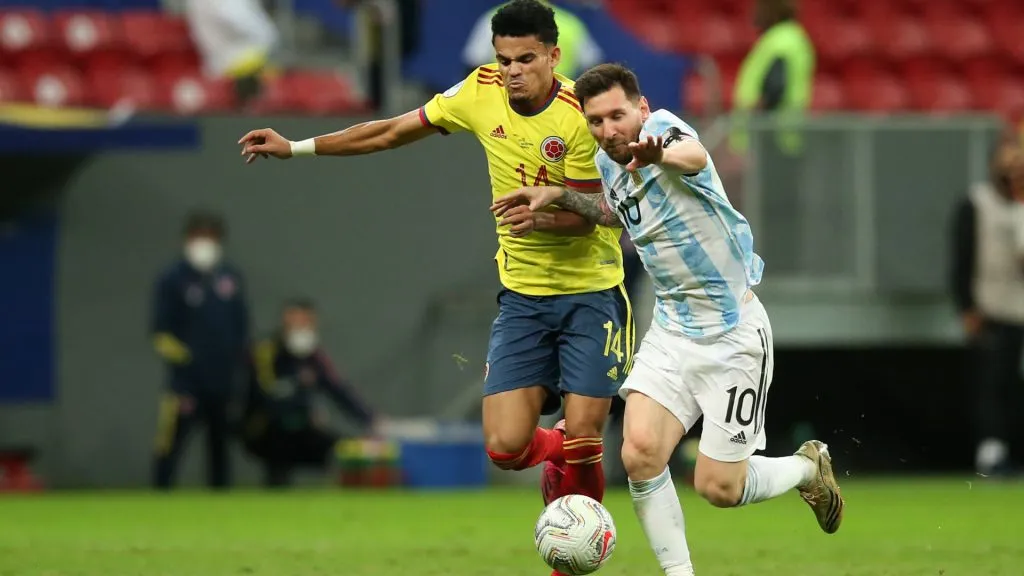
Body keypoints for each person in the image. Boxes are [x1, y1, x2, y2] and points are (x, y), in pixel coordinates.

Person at [238, 5, 631, 574]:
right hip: (523, 298)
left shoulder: (579, 115)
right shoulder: (480, 91)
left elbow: (595, 214)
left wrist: (542, 216)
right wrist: (298, 146)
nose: (512, 71)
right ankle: (560, 445)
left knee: (588, 437)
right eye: (503, 60)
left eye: (525, 59)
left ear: (553, 55)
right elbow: (393, 130)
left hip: (591, 293)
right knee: (506, 449)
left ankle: (573, 564)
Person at [492, 63, 844, 576]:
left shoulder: (662, 130)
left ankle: (806, 467)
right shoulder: (607, 161)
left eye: (616, 115)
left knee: (719, 488)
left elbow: (694, 155)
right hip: (673, 331)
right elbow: (617, 213)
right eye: (595, 121)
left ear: (639, 107)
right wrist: (560, 198)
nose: (608, 130)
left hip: (732, 333)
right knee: (639, 453)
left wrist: (660, 154)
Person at [151, 209, 250, 490]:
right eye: (199, 237)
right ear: (188, 239)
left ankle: (220, 501)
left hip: (222, 381)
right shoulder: (172, 279)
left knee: (219, 445)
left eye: (211, 237)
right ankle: (159, 496)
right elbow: (160, 333)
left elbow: (240, 326)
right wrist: (188, 361)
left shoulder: (230, 278)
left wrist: (234, 364)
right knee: (170, 445)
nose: (205, 243)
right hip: (185, 383)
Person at [241, 298, 377, 487]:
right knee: (280, 445)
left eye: (306, 324)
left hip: (303, 428)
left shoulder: (315, 357)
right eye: (296, 323)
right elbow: (266, 396)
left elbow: (339, 390)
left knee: (344, 451)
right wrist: (304, 404)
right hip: (266, 429)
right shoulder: (265, 352)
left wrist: (371, 420)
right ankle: (276, 492)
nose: (301, 329)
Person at [950, 131, 1024, 476]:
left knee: (1012, 386)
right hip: (992, 308)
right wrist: (966, 306)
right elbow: (962, 258)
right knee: (992, 385)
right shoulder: (977, 202)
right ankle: (991, 453)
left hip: (1019, 308)